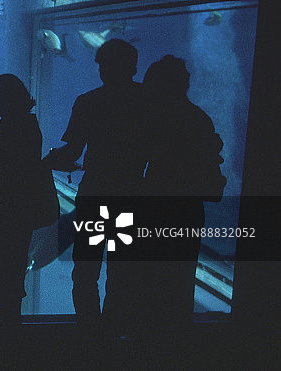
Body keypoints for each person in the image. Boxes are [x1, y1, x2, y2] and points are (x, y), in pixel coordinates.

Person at [42, 39, 151, 340]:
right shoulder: (148, 100)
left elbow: (73, 152)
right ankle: (113, 335)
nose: (101, 70)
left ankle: (90, 334)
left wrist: (45, 162)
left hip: (95, 196)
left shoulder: (89, 101)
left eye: (102, 65)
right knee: (122, 271)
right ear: (133, 67)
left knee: (86, 269)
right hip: (130, 197)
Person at [141, 55, 225, 340]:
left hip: (156, 209)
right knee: (180, 280)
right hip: (187, 211)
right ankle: (175, 343)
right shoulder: (199, 118)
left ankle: (150, 342)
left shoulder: (154, 120)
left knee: (152, 280)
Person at [0, 74, 46, 333]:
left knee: (4, 264)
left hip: (8, 207)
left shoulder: (15, 124)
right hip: (14, 206)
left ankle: (9, 326)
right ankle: (10, 322)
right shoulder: (24, 122)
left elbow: (12, 169)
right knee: (11, 264)